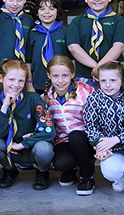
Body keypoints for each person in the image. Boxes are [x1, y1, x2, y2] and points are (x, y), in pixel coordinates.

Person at [83, 62, 124, 202]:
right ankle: (122, 174)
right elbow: (90, 126)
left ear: (122, 80)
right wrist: (99, 145)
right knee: (111, 172)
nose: (107, 85)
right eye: (103, 81)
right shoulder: (94, 99)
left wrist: (116, 139)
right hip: (111, 149)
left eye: (113, 80)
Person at [0, 60, 56, 190]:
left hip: (31, 148)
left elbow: (49, 130)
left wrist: (23, 144)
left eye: (21, 81)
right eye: (11, 79)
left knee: (45, 149)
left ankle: (42, 172)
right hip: (9, 150)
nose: (16, 85)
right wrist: (5, 107)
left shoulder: (33, 98)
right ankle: (9, 169)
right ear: (1, 78)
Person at [44, 56, 95, 195]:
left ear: (72, 74)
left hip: (86, 139)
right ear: (49, 75)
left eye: (65, 75)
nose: (60, 81)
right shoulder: (47, 96)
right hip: (63, 140)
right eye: (55, 76)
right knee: (62, 163)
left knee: (76, 136)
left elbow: (96, 118)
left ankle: (87, 176)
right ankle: (70, 170)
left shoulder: (85, 91)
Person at [67, 0, 124, 86]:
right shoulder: (77, 21)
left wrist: (100, 67)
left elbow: (119, 46)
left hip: (113, 76)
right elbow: (73, 47)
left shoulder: (118, 20)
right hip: (84, 76)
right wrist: (96, 67)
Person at [27, 0, 70, 94]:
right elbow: (28, 62)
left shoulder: (65, 32)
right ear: (37, 12)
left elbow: (72, 59)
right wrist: (29, 83)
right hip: (38, 83)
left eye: (51, 8)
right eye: (42, 9)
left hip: (62, 84)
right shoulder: (32, 33)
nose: (46, 12)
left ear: (57, 11)